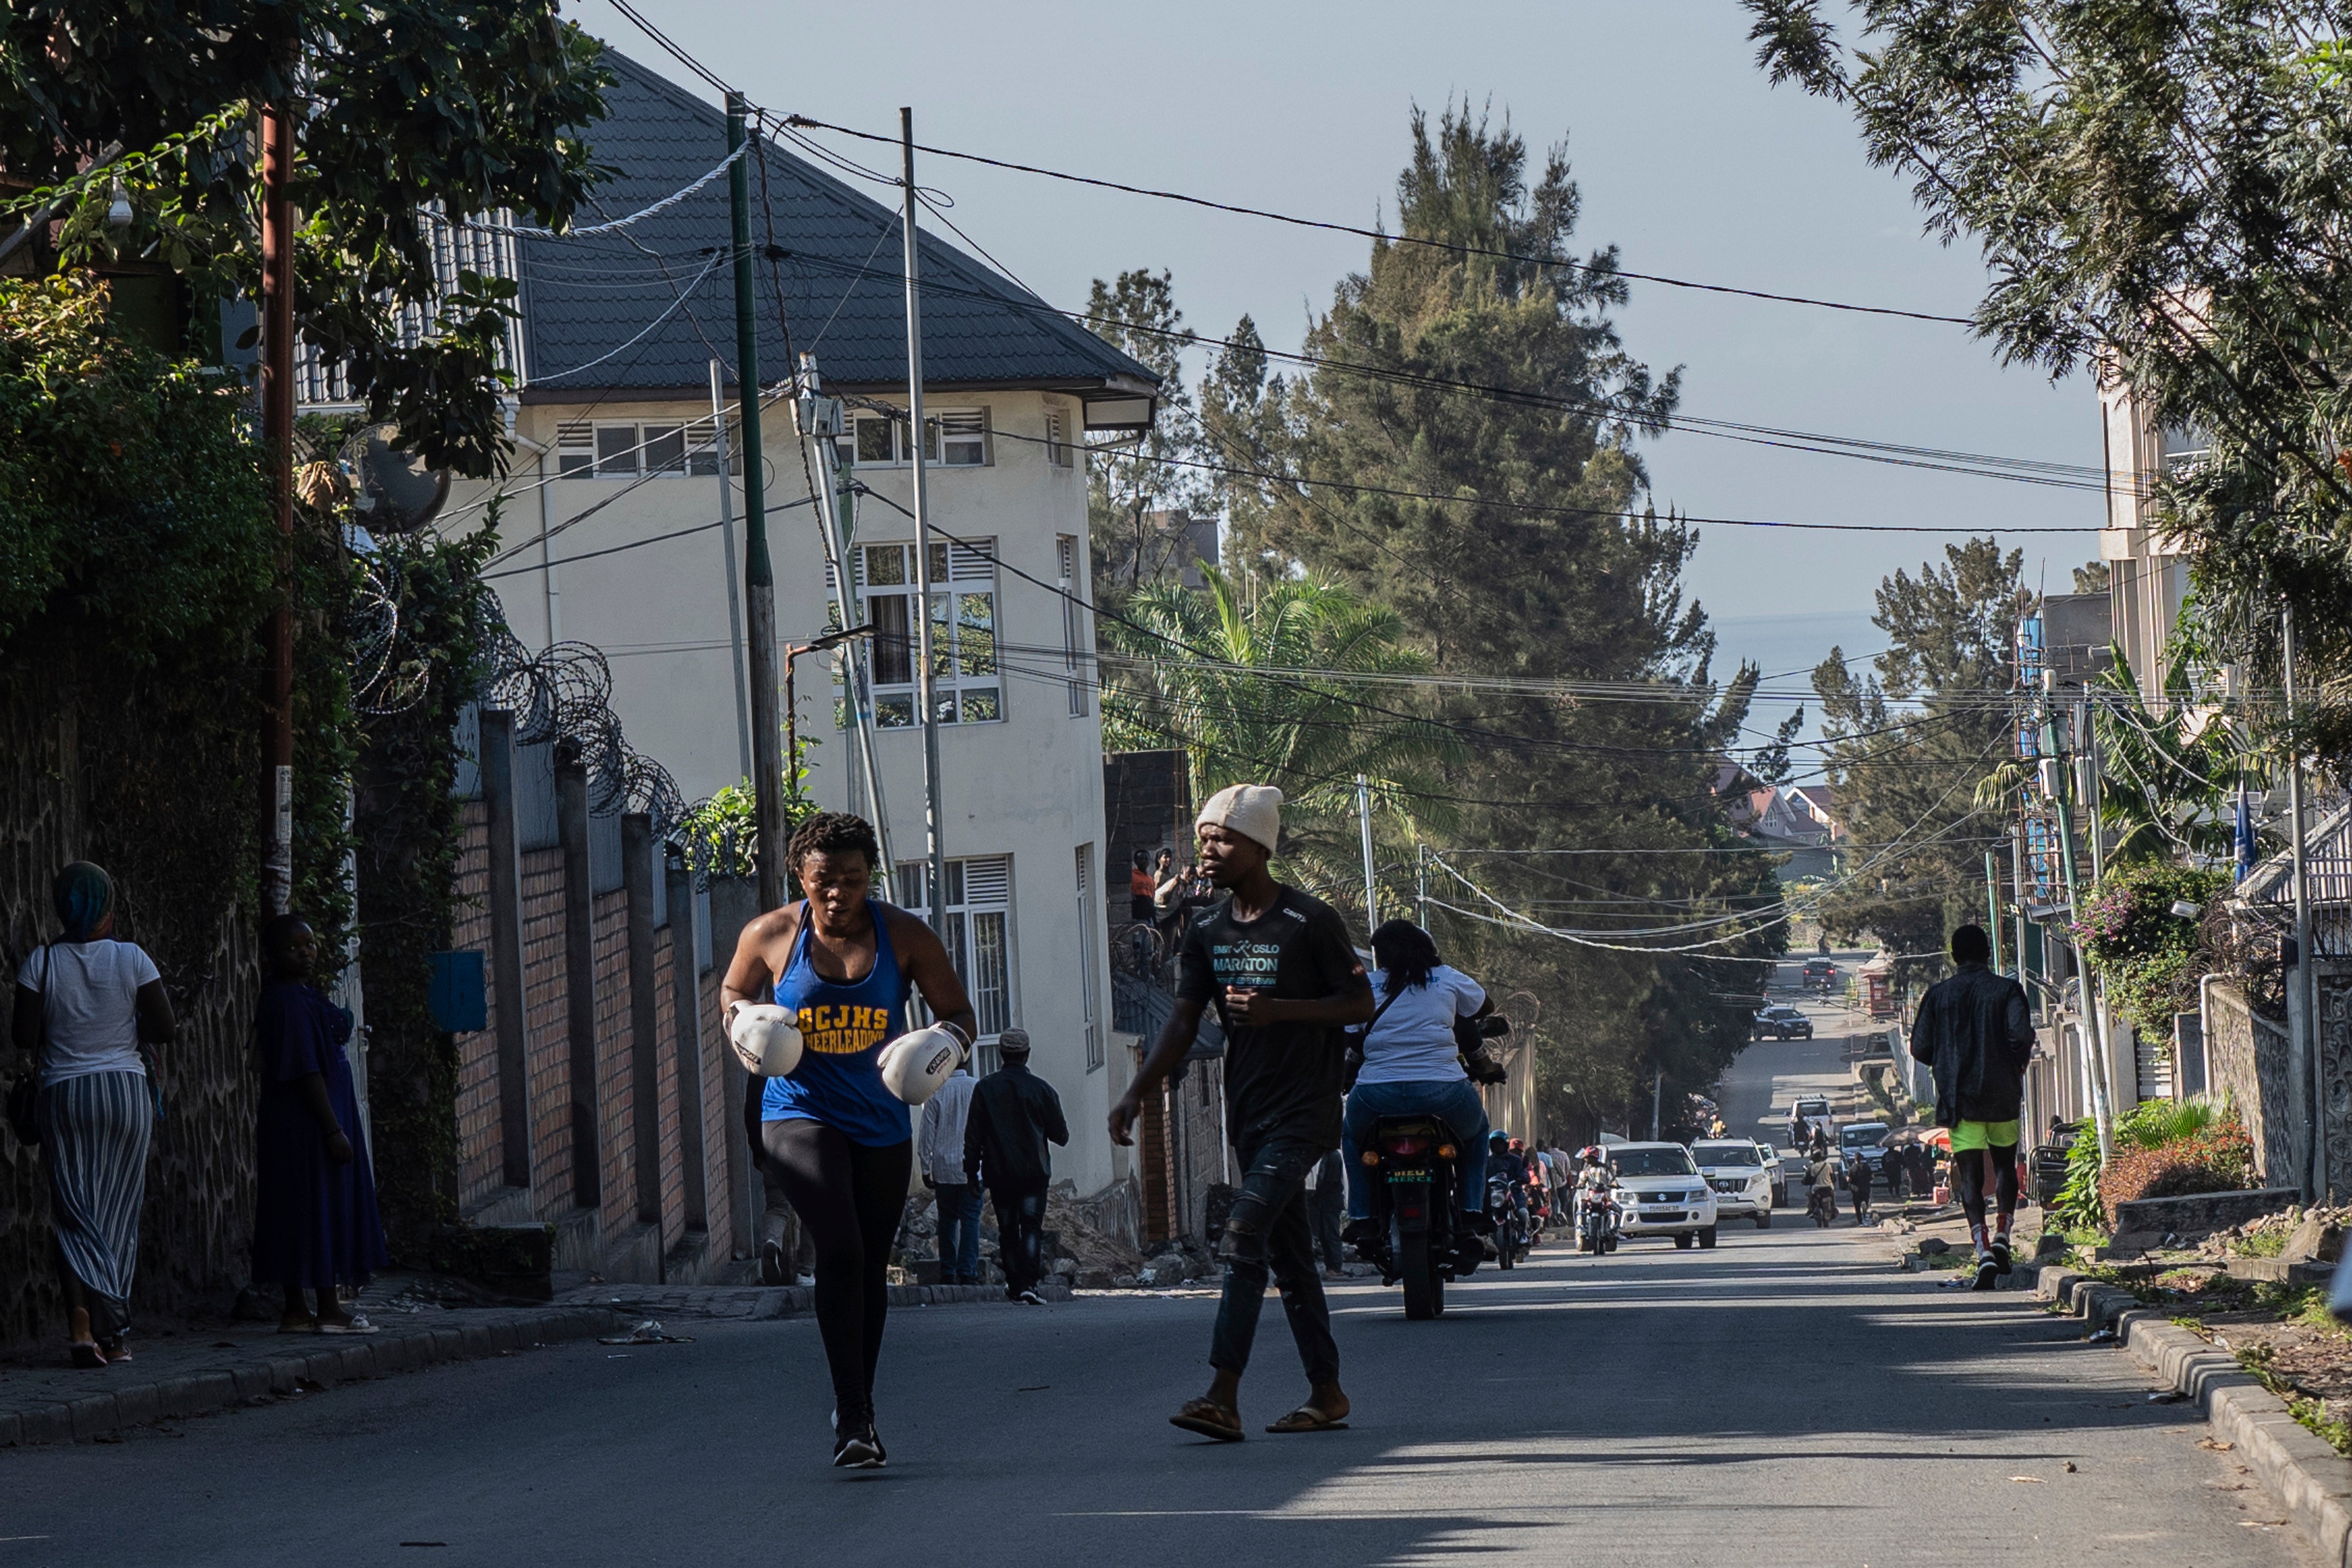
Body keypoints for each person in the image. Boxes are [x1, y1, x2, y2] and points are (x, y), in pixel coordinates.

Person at [1108, 782, 1372, 1443]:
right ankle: (1328, 1392)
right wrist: (1137, 1090)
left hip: (1305, 1112)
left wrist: (1284, 1011)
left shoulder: (1310, 922)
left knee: (1244, 1232)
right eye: (1204, 838)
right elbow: (1182, 1021)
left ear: (1260, 846)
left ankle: (1222, 1394)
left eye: (1222, 839)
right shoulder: (1206, 928)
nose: (1209, 849)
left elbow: (1359, 1005)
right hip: (1248, 1116)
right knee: (1292, 1262)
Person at [721, 811, 978, 1468]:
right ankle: (854, 1417)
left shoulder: (906, 937)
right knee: (839, 1247)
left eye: (854, 881)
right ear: (800, 877)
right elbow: (732, 991)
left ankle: (859, 1404)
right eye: (825, 881)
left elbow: (960, 1015)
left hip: (882, 1120)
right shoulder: (772, 934)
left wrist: (942, 1045)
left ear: (871, 878)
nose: (839, 895)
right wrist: (744, 1024)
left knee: (868, 1262)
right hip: (797, 1114)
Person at [11, 862, 175, 1367]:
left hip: (64, 1096)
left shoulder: (41, 962)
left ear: (63, 905)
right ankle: (117, 1336)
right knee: (118, 1214)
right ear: (107, 904)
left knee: (73, 1215)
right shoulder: (132, 958)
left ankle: (82, 1329)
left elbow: (23, 1037)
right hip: (126, 1096)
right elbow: (165, 1028)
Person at [250, 914, 388, 1334]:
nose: (306, 952)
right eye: (294, 947)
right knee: (319, 1206)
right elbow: (306, 1069)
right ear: (273, 955)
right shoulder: (289, 1001)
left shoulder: (291, 994)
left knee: (297, 1207)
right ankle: (328, 1308)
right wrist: (332, 1128)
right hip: (309, 1124)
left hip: (300, 1120)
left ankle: (297, 1309)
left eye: (309, 943)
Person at [1337, 920, 1491, 1273]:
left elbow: (1352, 1037)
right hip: (1443, 1092)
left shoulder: (1367, 986)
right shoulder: (1447, 978)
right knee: (1478, 1132)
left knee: (1351, 1137)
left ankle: (1361, 1214)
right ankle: (1470, 1211)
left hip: (1376, 1095)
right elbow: (1482, 1007)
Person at [1908, 922, 2034, 1289]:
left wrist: (1947, 1062)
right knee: (2006, 1167)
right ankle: (2003, 1237)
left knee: (1972, 1178)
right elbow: (2021, 1035)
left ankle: (1981, 1251)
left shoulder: (1938, 995)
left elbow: (1919, 1048)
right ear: (1988, 954)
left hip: (1960, 1101)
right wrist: (2013, 1064)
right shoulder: (2008, 990)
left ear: (1954, 956)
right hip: (2003, 1096)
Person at [964, 1029, 1067, 1305]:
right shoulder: (1042, 1090)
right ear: (1027, 1055)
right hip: (1034, 1173)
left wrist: (970, 1172)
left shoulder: (985, 1088)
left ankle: (1014, 1284)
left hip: (999, 1173)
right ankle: (1029, 1285)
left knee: (1008, 1229)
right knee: (1031, 1227)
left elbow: (973, 1136)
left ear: (1001, 1055)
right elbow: (1062, 1136)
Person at [918, 1056, 982, 1287]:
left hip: (944, 1167)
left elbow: (927, 1134)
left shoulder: (936, 1092)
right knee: (971, 1220)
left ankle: (948, 1271)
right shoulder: (977, 1088)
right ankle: (968, 1272)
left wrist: (926, 1168)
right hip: (972, 1169)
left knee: (947, 1220)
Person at [1306, 1147, 1347, 1280]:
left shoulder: (1333, 1156)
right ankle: (1332, 1266)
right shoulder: (1328, 1156)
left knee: (1331, 1234)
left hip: (1330, 1202)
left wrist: (1317, 1196)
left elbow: (1331, 1181)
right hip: (1326, 1202)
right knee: (1325, 1235)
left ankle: (1335, 1266)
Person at [1804, 1147, 1838, 1221]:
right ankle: (1834, 1208)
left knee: (1810, 1195)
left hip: (1817, 1188)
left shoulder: (1814, 1167)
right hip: (1829, 1187)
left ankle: (1811, 1208)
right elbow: (1833, 1178)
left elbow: (1812, 1180)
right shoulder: (1828, 1166)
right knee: (1833, 1196)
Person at [1845, 1148, 1875, 1224]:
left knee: (1857, 1207)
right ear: (1861, 1159)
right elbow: (1872, 1176)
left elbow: (1849, 1179)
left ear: (1855, 1159)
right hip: (1866, 1188)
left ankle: (1860, 1220)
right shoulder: (1866, 1167)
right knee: (1866, 1200)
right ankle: (1865, 1210)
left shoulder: (1852, 1169)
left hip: (1856, 1190)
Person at [1128, 849, 1157, 924]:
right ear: (1136, 861)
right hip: (1137, 918)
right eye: (1141, 859)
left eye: (1146, 859)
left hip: (1149, 918)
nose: (1144, 861)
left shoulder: (1151, 879)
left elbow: (1152, 898)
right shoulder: (1132, 876)